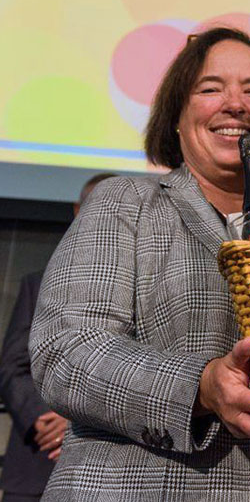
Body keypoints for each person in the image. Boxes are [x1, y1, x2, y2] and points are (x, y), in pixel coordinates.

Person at [29, 27, 250, 501]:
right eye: (211, 89)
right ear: (177, 118)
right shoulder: (127, 204)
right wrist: (201, 387)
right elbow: (65, 351)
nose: (236, 104)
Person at [0, 173, 114, 502]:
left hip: (106, 469)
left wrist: (77, 421)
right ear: (77, 211)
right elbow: (12, 367)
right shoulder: (38, 282)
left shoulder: (150, 289)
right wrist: (44, 419)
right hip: (39, 459)